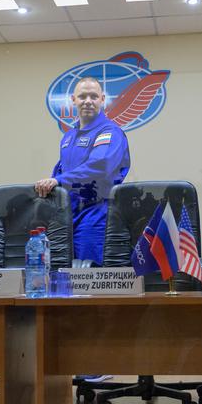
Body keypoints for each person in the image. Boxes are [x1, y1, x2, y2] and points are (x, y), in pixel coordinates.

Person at [34, 77, 130, 265]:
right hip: (67, 216)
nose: (88, 101)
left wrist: (58, 181)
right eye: (82, 96)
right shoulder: (68, 138)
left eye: (93, 96)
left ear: (102, 99)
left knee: (88, 277)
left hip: (94, 214)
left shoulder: (109, 132)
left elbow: (100, 166)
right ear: (73, 100)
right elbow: (61, 171)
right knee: (61, 274)